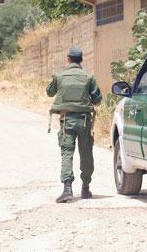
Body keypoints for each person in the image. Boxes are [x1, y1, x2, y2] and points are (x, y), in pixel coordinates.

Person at [46, 47, 102, 203]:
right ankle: (85, 188)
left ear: (68, 59)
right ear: (81, 60)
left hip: (66, 121)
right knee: (86, 154)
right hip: (85, 121)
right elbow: (97, 99)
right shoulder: (89, 77)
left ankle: (67, 189)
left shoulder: (60, 76)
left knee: (66, 154)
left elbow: (49, 92)